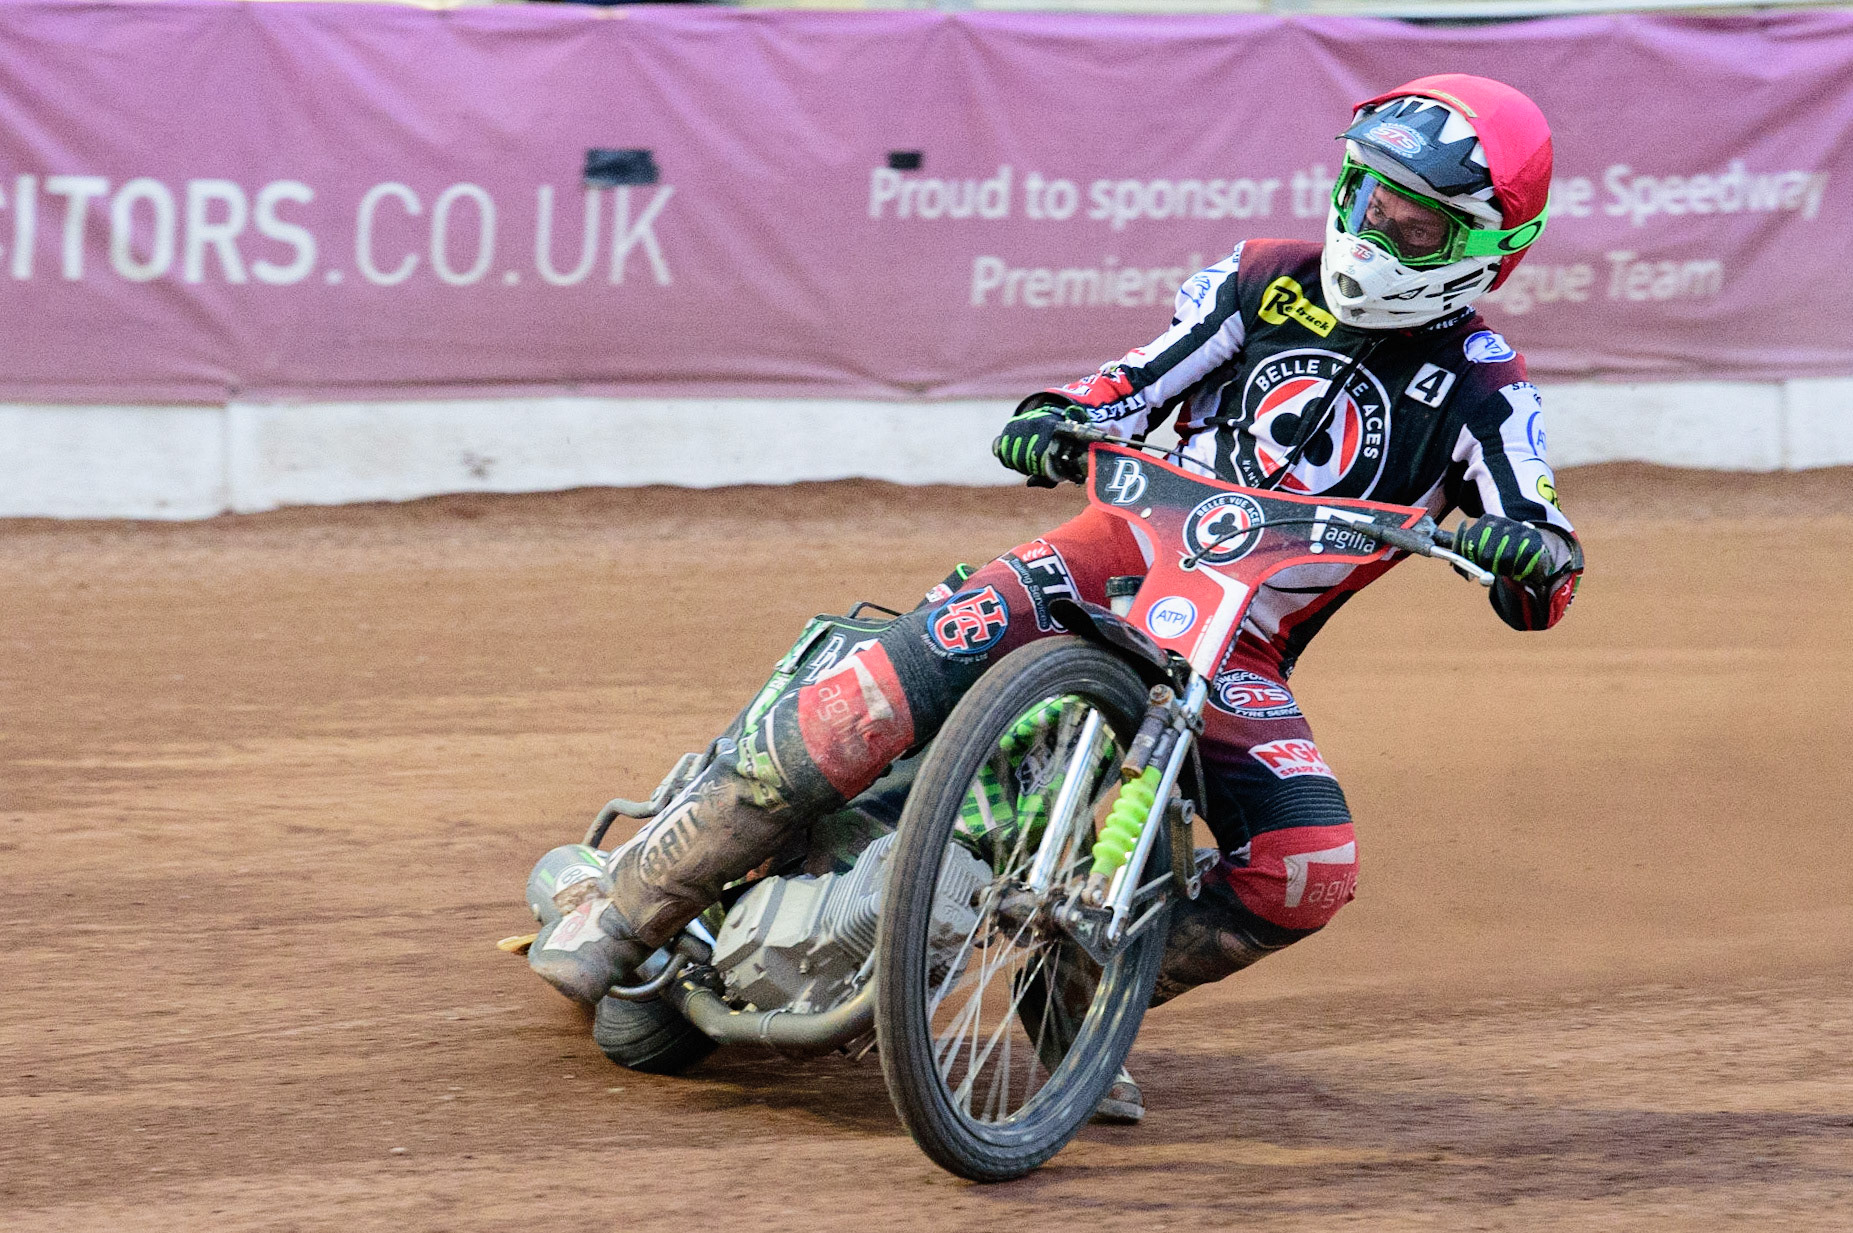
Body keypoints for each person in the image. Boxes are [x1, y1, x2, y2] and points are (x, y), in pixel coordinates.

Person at [529, 73, 1583, 1121]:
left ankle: (1077, 988)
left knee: (1306, 867)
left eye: (1415, 223)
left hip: (1234, 647)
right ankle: (622, 914)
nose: (1376, 230)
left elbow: (1542, 554)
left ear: (1489, 246)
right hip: (1105, 552)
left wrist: (1527, 556)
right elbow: (1130, 381)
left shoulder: (1489, 388)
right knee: (877, 691)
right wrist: (1057, 414)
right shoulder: (1261, 278)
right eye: (1368, 196)